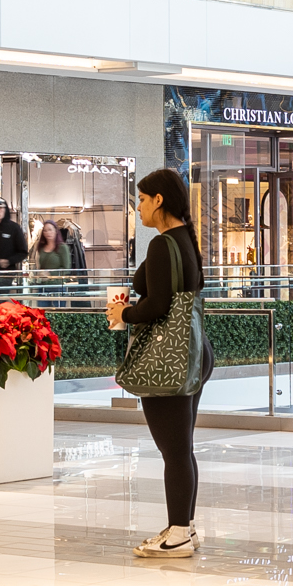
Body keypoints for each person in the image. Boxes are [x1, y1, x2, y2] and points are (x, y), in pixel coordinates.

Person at [111, 171, 208, 558]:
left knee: (175, 451)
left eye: (141, 199)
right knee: (183, 448)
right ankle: (184, 526)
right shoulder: (187, 239)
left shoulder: (162, 243)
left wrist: (125, 312)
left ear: (158, 201)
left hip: (167, 360)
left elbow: (157, 306)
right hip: (192, 354)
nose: (138, 207)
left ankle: (180, 533)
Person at [0, 199, 31, 299]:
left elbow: (23, 252)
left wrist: (8, 261)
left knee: (1, 300)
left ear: (5, 210)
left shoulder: (14, 228)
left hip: (6, 273)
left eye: (0, 208)